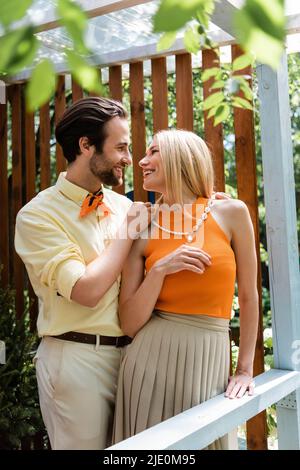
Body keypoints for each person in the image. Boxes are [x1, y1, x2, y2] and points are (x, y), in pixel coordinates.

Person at [14, 97, 153, 450]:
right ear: (86, 145)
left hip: (133, 360)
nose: (128, 158)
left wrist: (208, 206)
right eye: (120, 147)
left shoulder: (124, 207)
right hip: (76, 361)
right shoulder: (36, 216)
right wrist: (128, 231)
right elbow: (86, 290)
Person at [112, 129, 259, 449]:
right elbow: (129, 322)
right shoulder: (142, 223)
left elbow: (248, 297)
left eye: (153, 152)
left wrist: (245, 369)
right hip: (148, 363)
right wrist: (161, 270)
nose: (141, 161)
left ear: (181, 157)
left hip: (209, 357)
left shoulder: (231, 212)